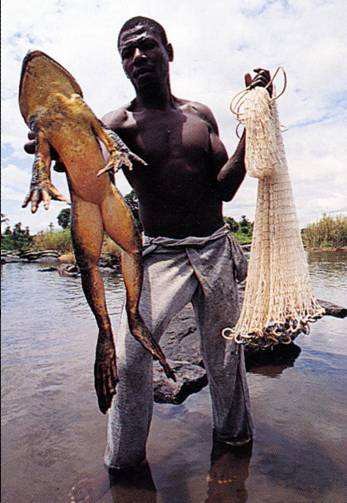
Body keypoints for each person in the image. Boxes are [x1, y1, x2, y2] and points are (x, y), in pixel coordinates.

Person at [24, 16, 272, 471]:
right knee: (135, 354)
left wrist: (250, 130)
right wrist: (53, 147)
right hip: (159, 252)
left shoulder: (200, 116)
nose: (137, 57)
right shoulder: (119, 123)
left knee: (226, 351)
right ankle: (123, 462)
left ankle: (234, 444)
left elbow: (225, 189)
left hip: (216, 248)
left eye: (146, 46)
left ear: (168, 51)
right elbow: (84, 162)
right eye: (127, 52)